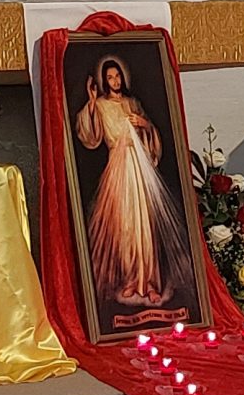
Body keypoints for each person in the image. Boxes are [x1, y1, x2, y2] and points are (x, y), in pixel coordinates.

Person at [74, 59, 177, 309]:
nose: (115, 81)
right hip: (118, 168)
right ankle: (131, 279)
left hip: (139, 167)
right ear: (104, 81)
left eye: (117, 76)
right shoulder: (100, 105)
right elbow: (90, 136)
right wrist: (91, 101)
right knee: (125, 225)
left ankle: (149, 282)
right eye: (110, 77)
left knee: (145, 225)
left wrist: (145, 125)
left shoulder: (133, 104)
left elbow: (151, 136)